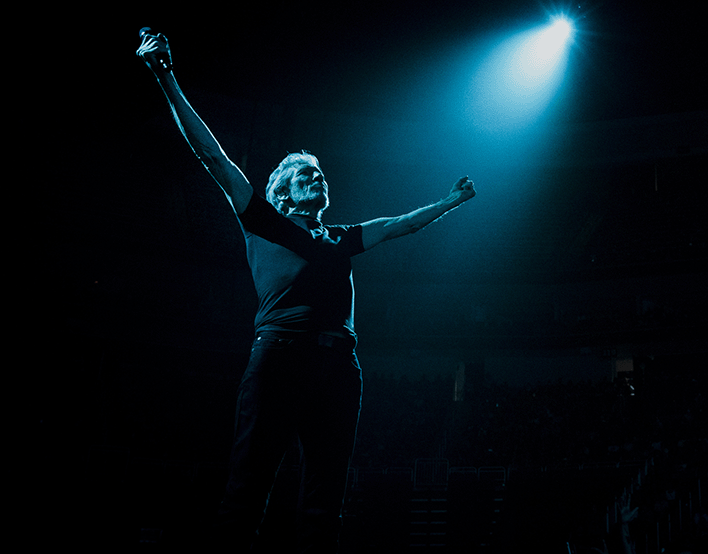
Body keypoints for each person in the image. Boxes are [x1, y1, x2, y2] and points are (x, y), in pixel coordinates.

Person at [136, 31, 476, 552]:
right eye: (305, 175)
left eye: (320, 175)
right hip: (279, 356)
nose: (318, 179)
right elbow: (211, 155)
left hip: (339, 367)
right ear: (282, 191)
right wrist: (165, 76)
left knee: (325, 496)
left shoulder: (341, 237)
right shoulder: (262, 220)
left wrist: (449, 202)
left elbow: (399, 225)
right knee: (248, 488)